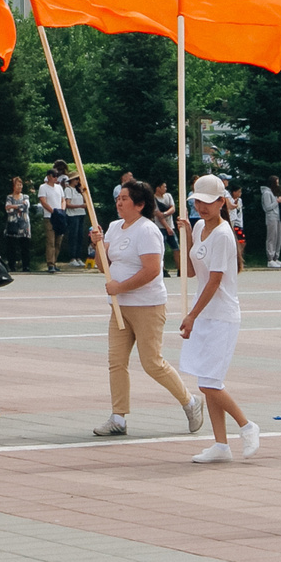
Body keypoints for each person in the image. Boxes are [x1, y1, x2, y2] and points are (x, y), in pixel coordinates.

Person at [91, 178, 204, 439]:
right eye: (118, 198)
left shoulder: (147, 231)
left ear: (140, 205)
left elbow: (152, 270)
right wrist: (97, 244)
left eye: (125, 199)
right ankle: (118, 417)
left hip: (147, 305)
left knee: (152, 362)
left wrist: (122, 287)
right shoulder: (113, 227)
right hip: (119, 308)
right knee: (116, 362)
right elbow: (102, 265)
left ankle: (190, 402)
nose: (119, 202)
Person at [178, 176, 256, 463]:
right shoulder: (199, 227)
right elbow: (189, 272)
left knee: (210, 383)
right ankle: (221, 445)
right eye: (198, 202)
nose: (201, 207)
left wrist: (192, 315)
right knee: (206, 380)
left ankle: (247, 426)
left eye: (208, 202)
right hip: (205, 314)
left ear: (221, 202)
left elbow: (214, 280)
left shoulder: (224, 235)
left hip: (222, 316)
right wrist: (186, 236)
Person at [259, 175, 281, 270]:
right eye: (276, 182)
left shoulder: (273, 193)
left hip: (277, 216)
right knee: (271, 237)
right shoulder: (266, 193)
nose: (278, 184)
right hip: (271, 217)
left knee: (278, 237)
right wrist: (277, 201)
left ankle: (276, 257)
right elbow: (267, 207)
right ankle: (270, 258)